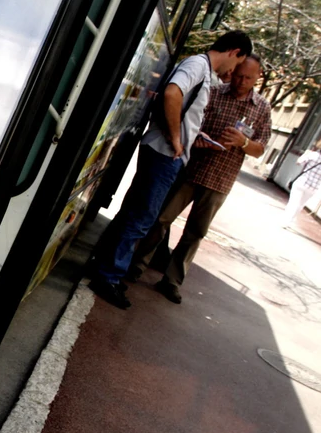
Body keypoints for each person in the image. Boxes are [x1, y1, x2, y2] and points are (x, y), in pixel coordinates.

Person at [88, 30, 253, 309]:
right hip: (165, 154)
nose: (232, 72)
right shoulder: (199, 65)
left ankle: (104, 267)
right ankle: (108, 276)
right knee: (142, 217)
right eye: (237, 64)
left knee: (135, 212)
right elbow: (172, 93)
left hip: (165, 152)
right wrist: (176, 137)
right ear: (234, 52)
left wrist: (189, 134)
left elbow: (180, 104)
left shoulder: (201, 68)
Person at [128, 55, 271, 304]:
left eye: (248, 78)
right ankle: (137, 264)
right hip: (190, 169)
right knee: (161, 219)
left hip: (220, 180)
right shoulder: (214, 92)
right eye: (238, 75)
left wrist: (243, 142)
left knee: (195, 233)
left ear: (258, 76)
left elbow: (260, 149)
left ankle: (171, 281)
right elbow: (190, 120)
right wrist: (200, 138)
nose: (241, 81)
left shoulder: (262, 108)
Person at [282, 144, 321, 228]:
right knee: (300, 205)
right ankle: (290, 220)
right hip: (313, 188)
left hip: (302, 182)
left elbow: (299, 162)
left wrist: (306, 154)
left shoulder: (312, 154)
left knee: (293, 202)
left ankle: (286, 221)